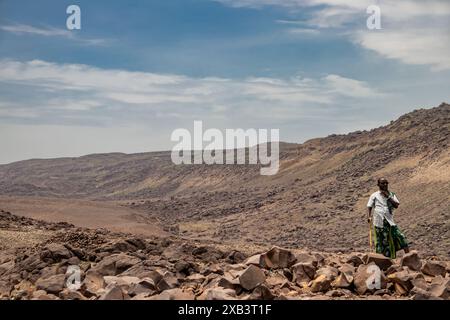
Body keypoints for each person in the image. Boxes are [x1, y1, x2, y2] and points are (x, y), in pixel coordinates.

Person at [367, 178, 409, 258]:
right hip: (378, 222)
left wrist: (388, 197)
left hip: (389, 221)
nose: (385, 185)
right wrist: (369, 216)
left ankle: (409, 257)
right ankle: (384, 260)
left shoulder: (391, 194)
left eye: (386, 183)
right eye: (383, 183)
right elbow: (369, 206)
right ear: (378, 185)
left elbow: (396, 205)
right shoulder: (374, 195)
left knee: (400, 236)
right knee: (382, 241)